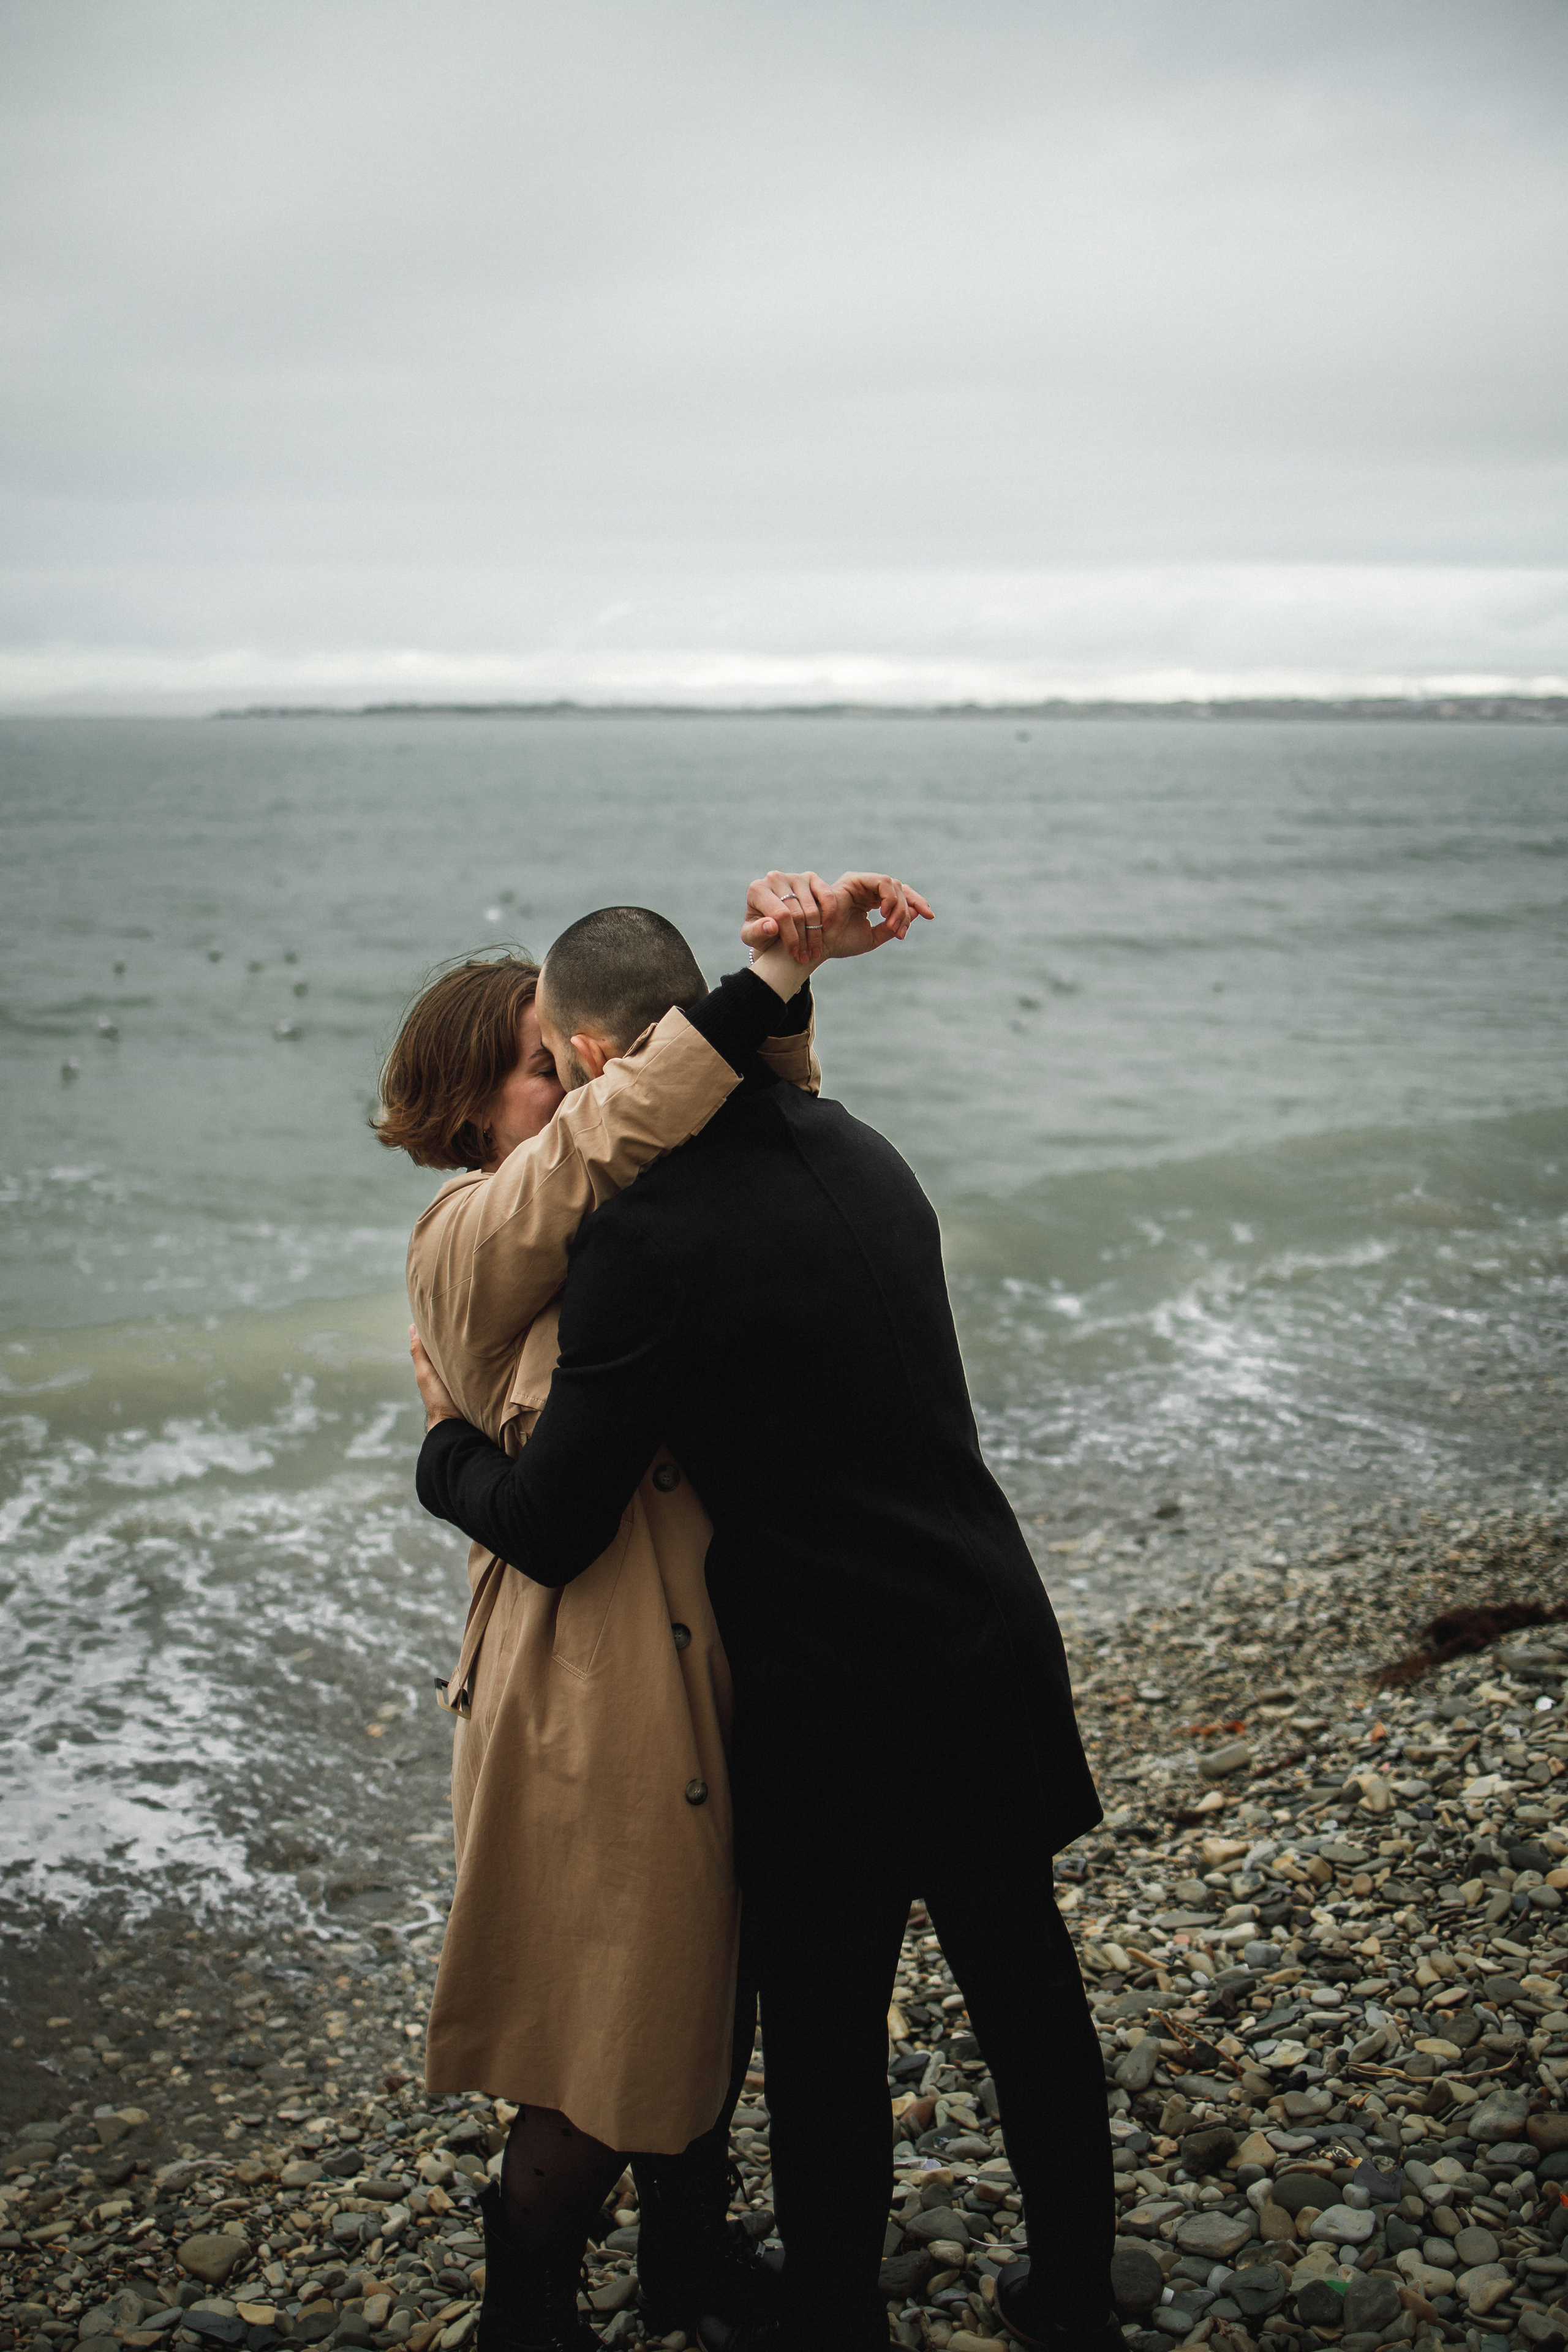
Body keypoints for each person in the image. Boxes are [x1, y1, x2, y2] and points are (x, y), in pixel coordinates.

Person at [409, 886, 1118, 2352]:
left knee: (822, 2032)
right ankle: (1073, 2301)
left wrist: (440, 1454)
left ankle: (834, 2316)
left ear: (591, 1058)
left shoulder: (644, 1239)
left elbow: (558, 1518)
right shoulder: (865, 1153)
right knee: (1026, 1995)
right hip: (987, 1622)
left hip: (824, 1682)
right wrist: (785, 981)